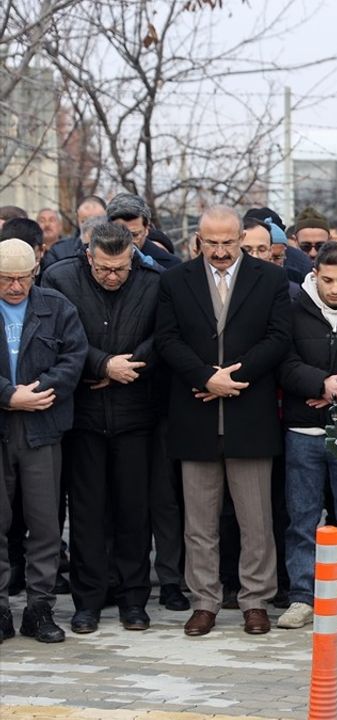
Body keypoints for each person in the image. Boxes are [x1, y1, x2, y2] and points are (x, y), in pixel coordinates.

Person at [154, 206, 291, 637]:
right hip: (194, 415)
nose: (218, 251)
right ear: (198, 240)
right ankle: (204, 601)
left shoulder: (269, 279)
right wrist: (204, 378)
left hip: (249, 414)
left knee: (256, 520)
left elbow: (278, 337)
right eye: (210, 243)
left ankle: (255, 601)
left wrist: (233, 377)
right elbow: (166, 339)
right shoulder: (175, 280)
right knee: (199, 523)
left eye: (226, 243)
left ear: (241, 238)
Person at [41, 222, 161, 635]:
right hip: (84, 416)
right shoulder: (59, 279)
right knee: (88, 515)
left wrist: (130, 367)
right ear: (88, 256)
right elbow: (57, 340)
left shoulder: (152, 281)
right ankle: (87, 602)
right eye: (104, 269)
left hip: (135, 414)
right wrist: (102, 364)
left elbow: (163, 337)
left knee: (134, 512)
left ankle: (133, 600)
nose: (112, 277)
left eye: (120, 269)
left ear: (132, 257)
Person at [275, 242, 337, 632]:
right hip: (302, 428)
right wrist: (320, 382)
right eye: (327, 280)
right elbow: (282, 362)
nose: (335, 289)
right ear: (315, 275)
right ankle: (302, 595)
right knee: (301, 518)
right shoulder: (294, 306)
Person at [0, 238, 87, 645]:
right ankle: (1, 610)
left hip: (42, 425)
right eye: (6, 279)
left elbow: (74, 358)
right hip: (3, 421)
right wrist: (8, 395)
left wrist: (36, 392)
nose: (16, 287)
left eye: (23, 278)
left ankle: (40, 608)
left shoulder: (57, 306)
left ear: (35, 271)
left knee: (45, 524)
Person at [105, 194, 180, 270]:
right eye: (120, 234)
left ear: (146, 229)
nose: (127, 242)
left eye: (134, 235)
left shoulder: (170, 265)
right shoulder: (96, 260)